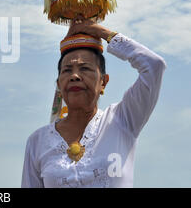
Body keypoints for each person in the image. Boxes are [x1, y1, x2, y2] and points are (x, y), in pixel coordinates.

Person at [21, 16, 166, 187]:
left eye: (85, 68)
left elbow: (154, 65)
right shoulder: (37, 141)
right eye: (67, 70)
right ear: (59, 84)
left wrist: (99, 31)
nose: (75, 76)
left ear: (103, 81)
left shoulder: (122, 120)